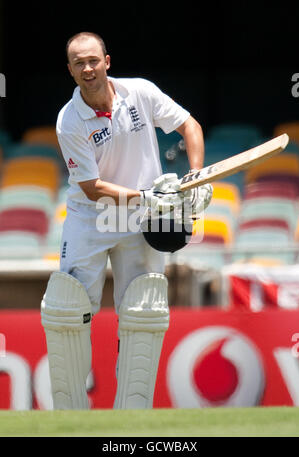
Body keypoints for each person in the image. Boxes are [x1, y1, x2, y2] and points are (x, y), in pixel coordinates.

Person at [41, 31, 212, 410]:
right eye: (79, 63)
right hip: (91, 219)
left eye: (93, 60)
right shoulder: (69, 121)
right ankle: (70, 420)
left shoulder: (140, 93)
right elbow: (90, 186)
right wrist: (148, 196)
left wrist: (195, 175)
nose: (88, 68)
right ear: (69, 70)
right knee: (67, 310)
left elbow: (190, 125)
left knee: (143, 311)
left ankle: (132, 416)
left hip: (140, 220)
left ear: (107, 61)